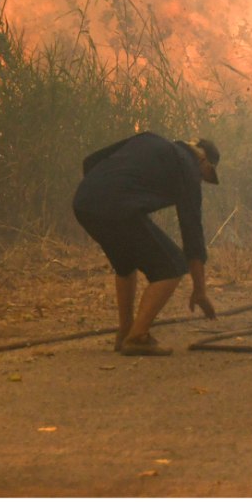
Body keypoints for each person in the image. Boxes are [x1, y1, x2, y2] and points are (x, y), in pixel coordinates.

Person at [73, 132, 221, 355]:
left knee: (125, 262)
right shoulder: (188, 169)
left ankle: (125, 332)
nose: (201, 180)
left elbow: (90, 161)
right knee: (173, 266)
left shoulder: (148, 139)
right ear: (203, 159)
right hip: (118, 206)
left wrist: (100, 193)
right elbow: (192, 236)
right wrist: (200, 291)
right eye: (206, 174)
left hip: (84, 202)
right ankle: (137, 337)